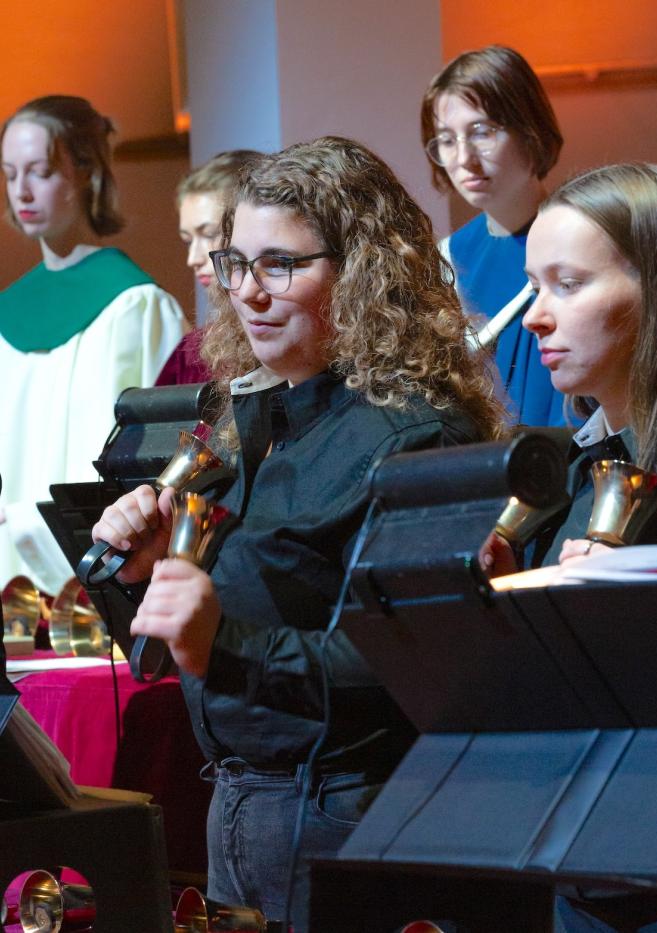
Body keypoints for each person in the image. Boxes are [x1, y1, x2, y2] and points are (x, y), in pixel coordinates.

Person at [91, 136, 506, 931]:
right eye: (235, 262)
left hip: (350, 814)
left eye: (280, 264)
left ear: (362, 274)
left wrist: (224, 640)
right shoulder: (243, 423)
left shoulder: (418, 435)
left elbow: (417, 660)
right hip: (240, 807)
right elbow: (168, 651)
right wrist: (144, 576)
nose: (246, 291)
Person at [482, 162, 657, 933]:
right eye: (534, 287)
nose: (535, 317)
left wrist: (647, 601)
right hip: (584, 870)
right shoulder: (566, 478)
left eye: (567, 285)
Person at [0, 95, 187, 594]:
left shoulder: (135, 306)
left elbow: (154, 457)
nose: (21, 190)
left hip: (103, 573)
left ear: (85, 170)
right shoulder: (6, 313)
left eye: (39, 171)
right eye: (9, 172)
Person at [421, 45, 569, 427]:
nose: (464, 158)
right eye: (447, 140)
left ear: (530, 130)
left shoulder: (580, 241)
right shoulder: (448, 259)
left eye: (482, 132)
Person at [156, 149, 263, 386]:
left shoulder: (281, 336)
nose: (193, 258)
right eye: (187, 240)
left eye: (209, 234)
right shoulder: (191, 354)